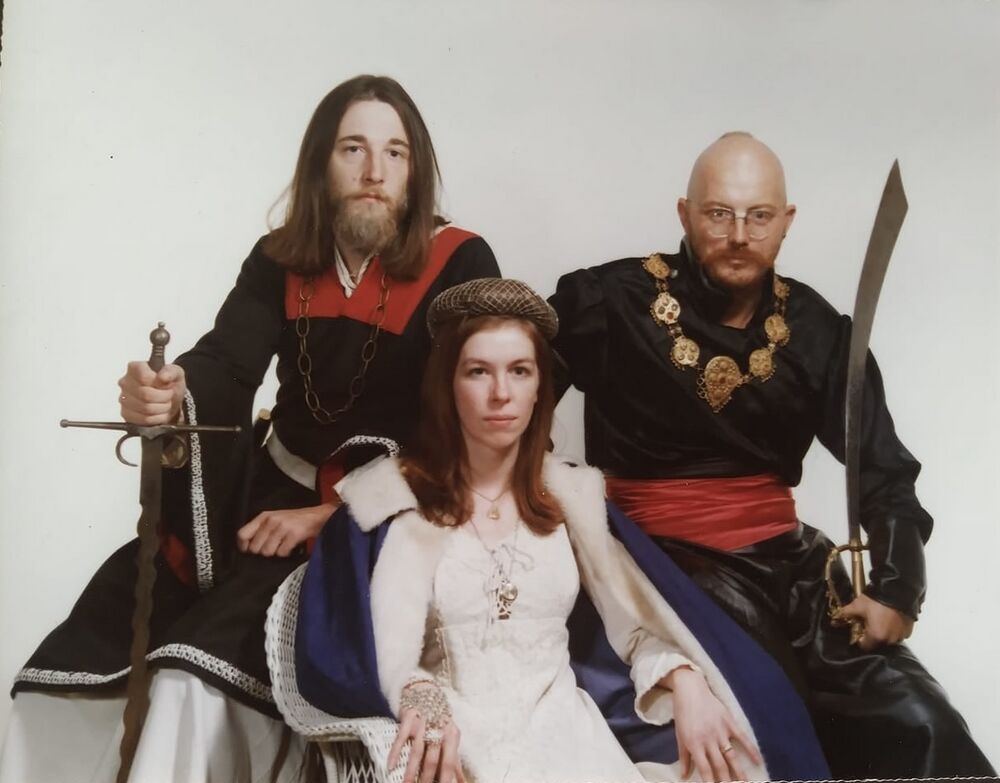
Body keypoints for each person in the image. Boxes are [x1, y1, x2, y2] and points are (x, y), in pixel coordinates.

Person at [2, 75, 499, 782]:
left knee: (191, 673)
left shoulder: (462, 262)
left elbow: (481, 421)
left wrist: (334, 514)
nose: (374, 171)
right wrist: (168, 395)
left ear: (415, 171)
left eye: (395, 153)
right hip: (270, 497)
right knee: (83, 656)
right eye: (352, 149)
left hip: (393, 514)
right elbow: (226, 363)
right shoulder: (279, 260)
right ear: (320, 164)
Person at [547, 132, 996, 777]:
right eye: (719, 214)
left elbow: (884, 469)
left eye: (758, 216)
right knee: (775, 725)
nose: (739, 235)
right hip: (661, 571)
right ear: (685, 214)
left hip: (792, 570)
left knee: (923, 724)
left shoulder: (817, 330)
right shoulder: (609, 302)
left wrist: (898, 590)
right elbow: (512, 396)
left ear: (786, 222)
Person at [271, 278, 832, 782]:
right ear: (447, 384)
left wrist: (685, 682)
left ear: (540, 385)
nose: (501, 393)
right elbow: (387, 655)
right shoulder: (402, 502)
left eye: (520, 371)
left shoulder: (570, 500)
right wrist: (419, 696)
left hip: (570, 741)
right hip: (461, 744)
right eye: (478, 371)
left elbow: (638, 624)